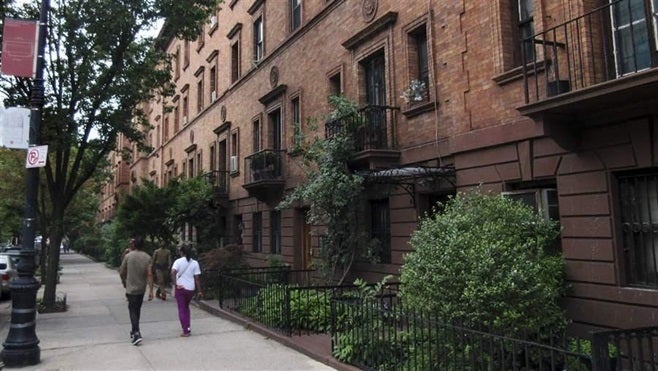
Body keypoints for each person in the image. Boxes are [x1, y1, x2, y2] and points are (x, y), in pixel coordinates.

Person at [119, 236, 153, 345]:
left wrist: (124, 282)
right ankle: (134, 330)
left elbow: (121, 271)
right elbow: (149, 274)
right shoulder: (147, 257)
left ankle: (136, 332)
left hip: (131, 288)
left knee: (132, 310)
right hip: (141, 288)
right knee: (137, 309)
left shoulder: (128, 256)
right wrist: (151, 290)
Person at [171, 243, 203, 337]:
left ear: (182, 252)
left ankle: (185, 330)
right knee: (186, 307)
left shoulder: (178, 262)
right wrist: (200, 291)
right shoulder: (195, 263)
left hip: (180, 288)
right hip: (190, 288)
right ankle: (188, 327)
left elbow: (173, 272)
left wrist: (175, 284)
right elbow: (197, 278)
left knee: (181, 309)